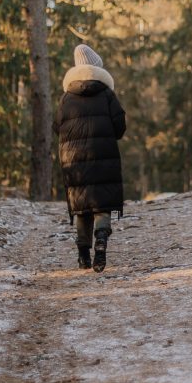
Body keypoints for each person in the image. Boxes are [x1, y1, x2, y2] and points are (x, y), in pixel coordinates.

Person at [53, 44, 126, 273]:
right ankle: (102, 238)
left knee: (82, 204)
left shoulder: (66, 98)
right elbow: (120, 126)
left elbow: (57, 127)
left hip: (73, 159)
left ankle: (83, 253)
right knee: (102, 202)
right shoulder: (107, 94)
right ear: (96, 68)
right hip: (102, 154)